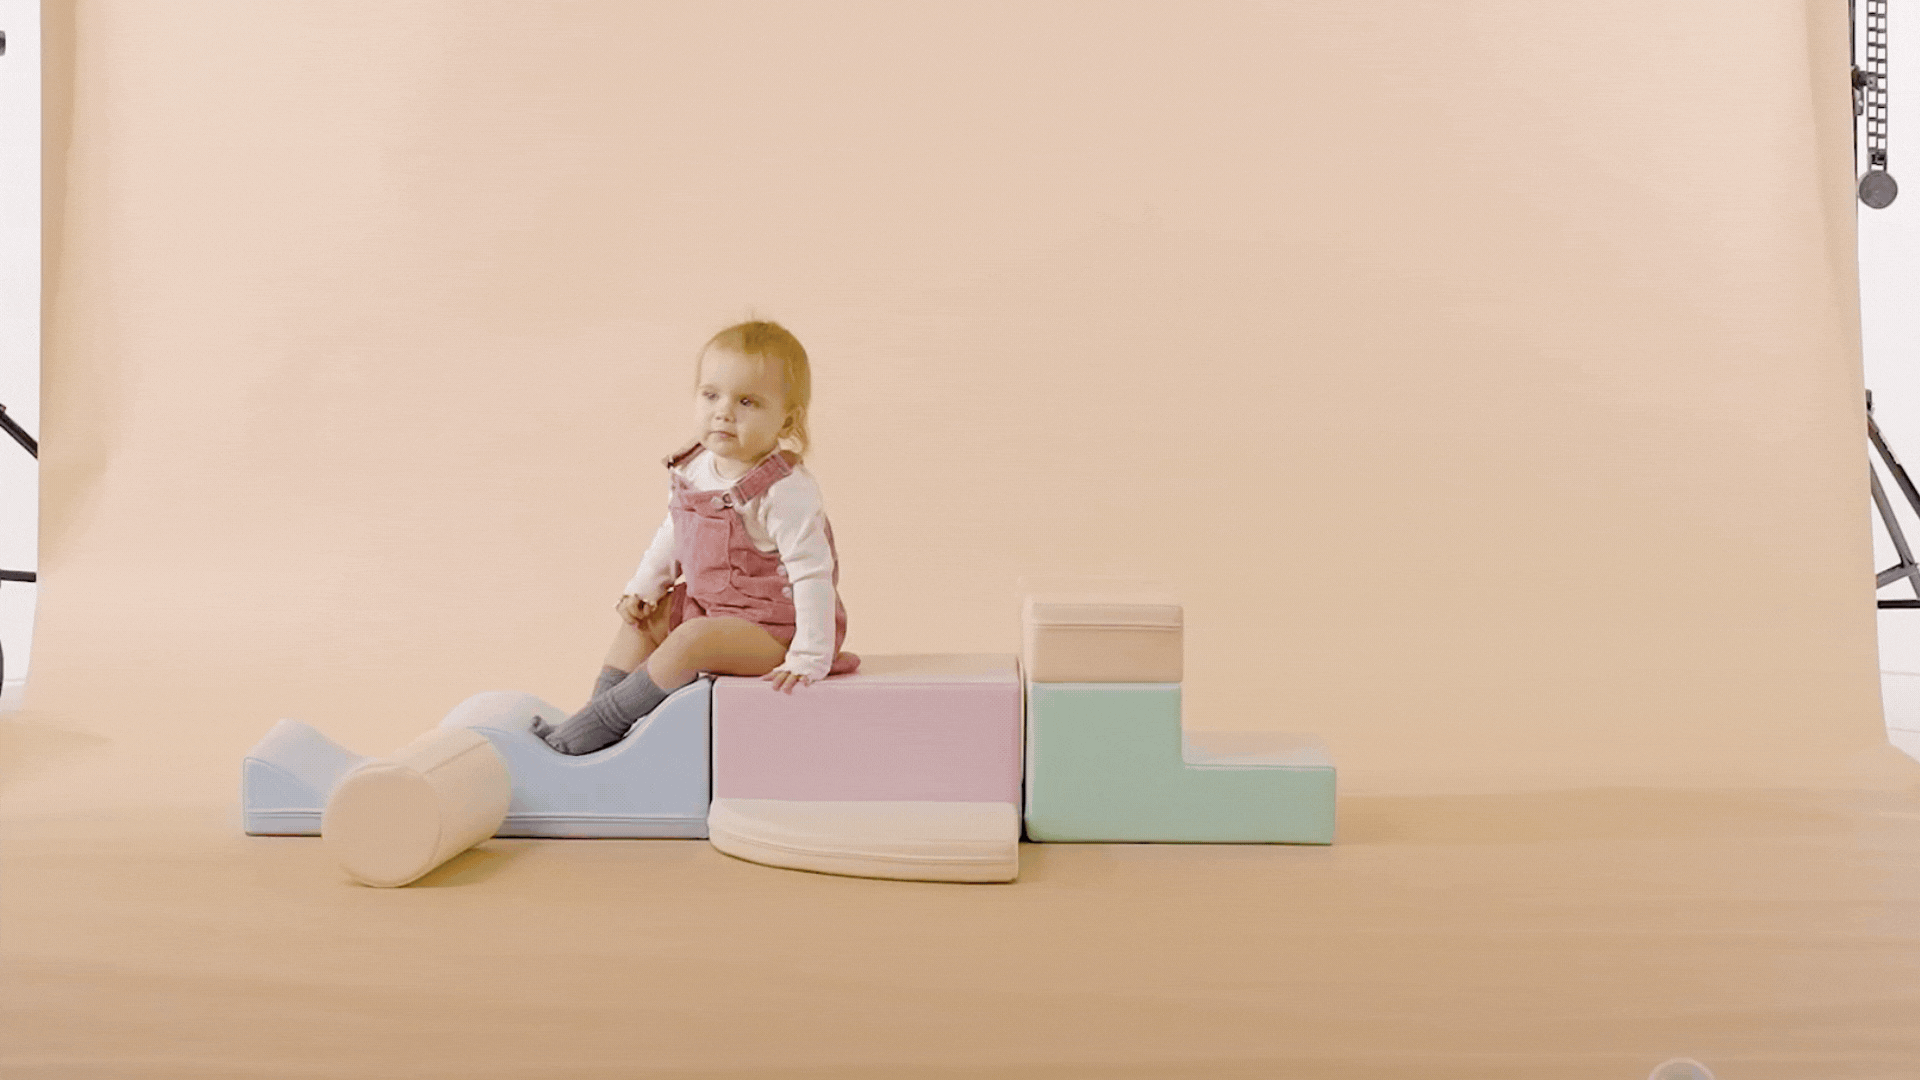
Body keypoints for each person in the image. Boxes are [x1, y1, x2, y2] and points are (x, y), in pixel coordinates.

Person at [532, 320, 859, 756]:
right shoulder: (696, 467)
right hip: (712, 609)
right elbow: (675, 532)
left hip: (774, 631)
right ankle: (592, 719)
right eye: (710, 395)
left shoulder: (784, 491)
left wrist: (809, 655)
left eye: (747, 401)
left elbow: (813, 573)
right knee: (644, 620)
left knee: (692, 639)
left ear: (787, 420)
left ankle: (603, 722)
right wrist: (644, 588)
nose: (724, 412)